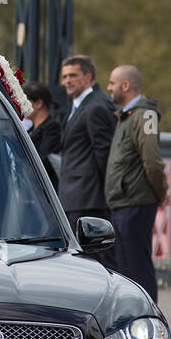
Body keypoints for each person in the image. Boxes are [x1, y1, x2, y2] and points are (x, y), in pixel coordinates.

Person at [104, 65, 166, 302]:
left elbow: (152, 162)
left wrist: (159, 194)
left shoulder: (144, 116)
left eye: (112, 83)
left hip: (135, 204)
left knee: (137, 268)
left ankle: (147, 317)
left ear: (126, 85)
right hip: (122, 204)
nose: (109, 87)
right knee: (125, 269)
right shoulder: (126, 117)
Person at [57, 55, 117, 257]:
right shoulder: (79, 106)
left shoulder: (96, 107)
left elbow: (104, 153)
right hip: (75, 197)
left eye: (73, 75)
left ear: (88, 76)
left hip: (87, 200)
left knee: (91, 258)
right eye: (64, 76)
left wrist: (106, 193)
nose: (67, 80)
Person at [24, 82, 62, 189]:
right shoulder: (32, 129)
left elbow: (44, 159)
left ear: (39, 103)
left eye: (26, 102)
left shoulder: (52, 127)